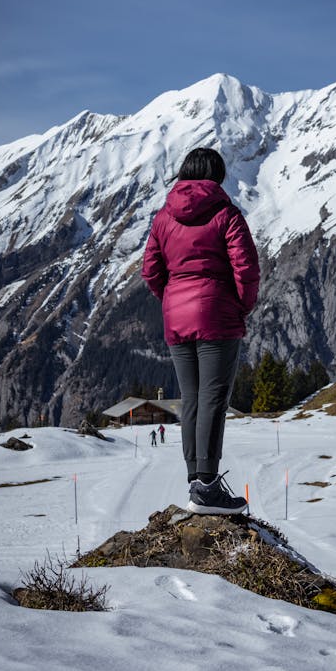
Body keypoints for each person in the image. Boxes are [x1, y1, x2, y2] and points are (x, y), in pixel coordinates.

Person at [142, 147, 260, 515]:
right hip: (217, 317)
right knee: (214, 398)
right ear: (217, 176)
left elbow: (150, 270)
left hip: (177, 320)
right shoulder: (226, 214)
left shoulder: (163, 217)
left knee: (191, 399)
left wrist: (172, 299)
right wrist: (240, 305)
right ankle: (208, 487)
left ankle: (197, 479)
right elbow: (247, 268)